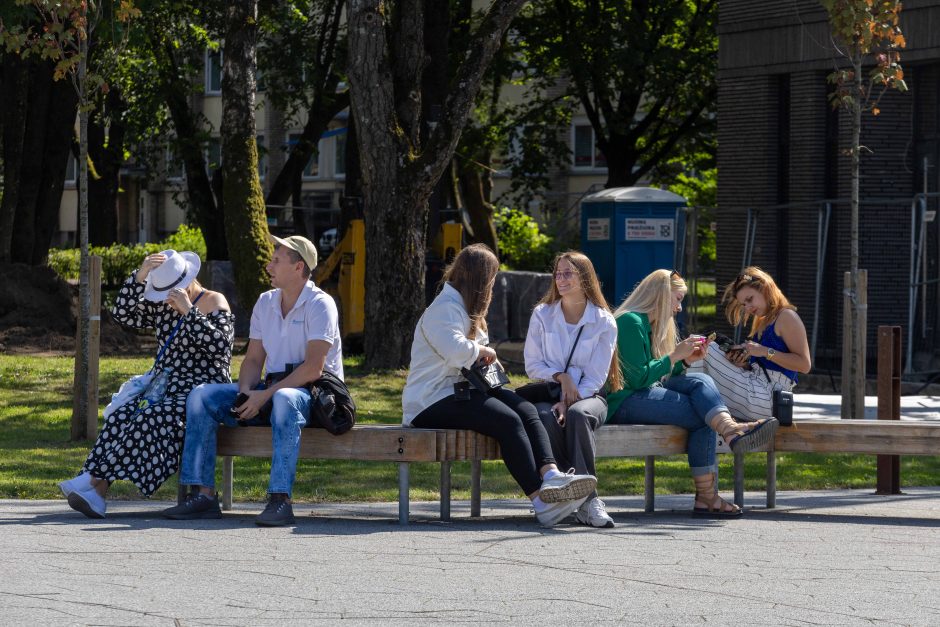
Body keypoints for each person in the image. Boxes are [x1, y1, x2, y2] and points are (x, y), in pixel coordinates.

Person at [402, 243, 597, 527]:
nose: (493, 285)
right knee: (507, 421)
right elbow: (456, 350)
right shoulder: (443, 309)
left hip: (461, 392)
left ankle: (552, 475)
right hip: (430, 400)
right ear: (480, 280)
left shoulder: (466, 310)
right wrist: (485, 352)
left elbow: (469, 356)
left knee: (526, 410)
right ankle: (541, 502)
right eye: (491, 278)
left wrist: (487, 361)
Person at [162, 234, 342, 527]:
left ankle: (280, 500)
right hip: (271, 390)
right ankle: (203, 495)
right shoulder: (265, 302)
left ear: (299, 268)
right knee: (201, 396)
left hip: (314, 396)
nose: (268, 266)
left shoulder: (320, 304)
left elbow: (313, 369)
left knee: (284, 399)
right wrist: (246, 392)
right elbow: (254, 360)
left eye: (276, 260)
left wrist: (264, 395)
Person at [59, 250, 234, 519]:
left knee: (151, 416)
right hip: (164, 385)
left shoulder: (214, 300)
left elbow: (220, 348)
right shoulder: (162, 301)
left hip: (201, 389)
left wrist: (189, 312)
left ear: (187, 280)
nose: (165, 297)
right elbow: (123, 316)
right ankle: (93, 484)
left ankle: (96, 484)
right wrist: (139, 277)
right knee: (122, 412)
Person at [606, 269, 779, 517]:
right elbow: (636, 378)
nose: (678, 308)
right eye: (677, 299)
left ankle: (729, 430)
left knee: (700, 379)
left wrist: (686, 362)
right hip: (624, 401)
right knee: (703, 415)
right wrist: (675, 354)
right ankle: (708, 495)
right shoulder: (630, 320)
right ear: (660, 295)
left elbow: (660, 375)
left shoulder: (651, 324)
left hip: (644, 394)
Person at [523, 251, 621, 528]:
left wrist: (569, 399)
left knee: (578, 415)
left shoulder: (603, 321)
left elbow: (596, 377)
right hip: (549, 392)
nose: (561, 279)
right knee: (545, 418)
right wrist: (560, 377)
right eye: (558, 273)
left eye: (568, 273)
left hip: (590, 396)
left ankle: (588, 501)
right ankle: (568, 493)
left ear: (584, 278)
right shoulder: (543, 315)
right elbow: (532, 365)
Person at [697, 267, 811, 421]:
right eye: (744, 304)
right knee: (702, 344)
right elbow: (763, 365)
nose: (748, 308)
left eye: (749, 299)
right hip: (758, 389)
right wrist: (742, 364)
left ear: (765, 288)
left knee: (704, 348)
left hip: (769, 397)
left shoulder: (787, 316)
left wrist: (765, 351)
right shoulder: (764, 321)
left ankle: (682, 401)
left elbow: (804, 365)